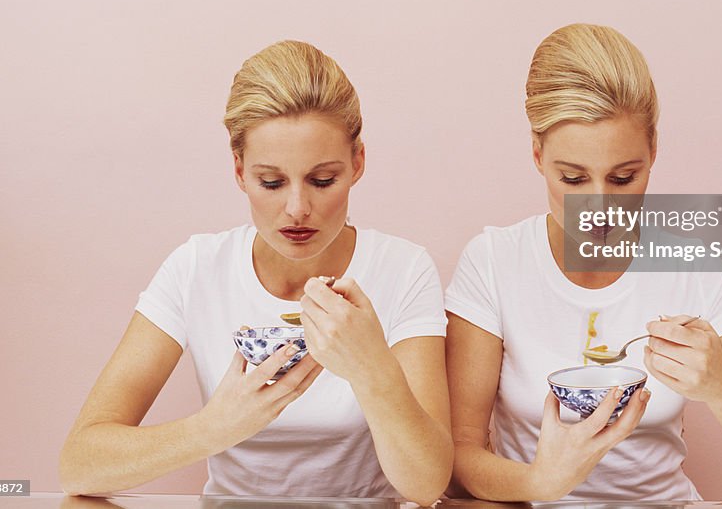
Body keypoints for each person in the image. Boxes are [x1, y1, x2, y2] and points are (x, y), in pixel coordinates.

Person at [60, 40, 452, 505]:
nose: (297, 208)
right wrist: (211, 429)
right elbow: (78, 465)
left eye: (322, 180)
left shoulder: (403, 270)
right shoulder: (196, 268)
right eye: (271, 182)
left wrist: (373, 371)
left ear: (357, 164)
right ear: (240, 171)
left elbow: (428, 486)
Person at [445, 23, 722, 502]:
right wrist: (541, 484)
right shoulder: (494, 262)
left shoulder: (692, 268)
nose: (599, 207)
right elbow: (457, 455)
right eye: (573, 178)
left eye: (623, 178)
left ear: (653, 151)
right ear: (537, 155)